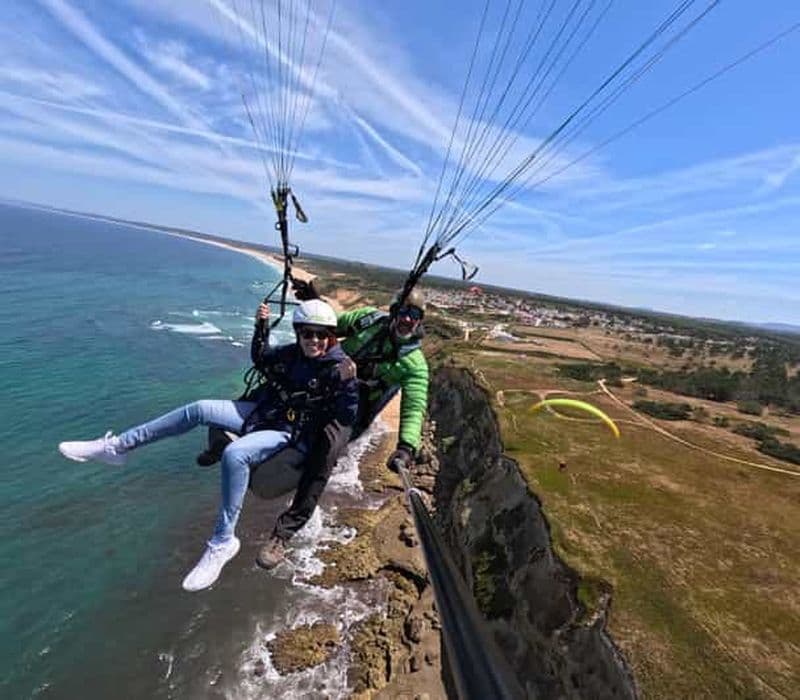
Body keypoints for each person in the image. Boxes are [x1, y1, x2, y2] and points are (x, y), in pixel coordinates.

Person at [58, 300, 358, 591]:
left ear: (331, 337)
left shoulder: (338, 367)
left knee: (236, 454)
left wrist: (346, 382)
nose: (314, 340)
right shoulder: (294, 354)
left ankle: (222, 541)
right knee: (199, 408)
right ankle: (117, 448)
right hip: (261, 414)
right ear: (299, 333)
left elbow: (346, 416)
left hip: (286, 430)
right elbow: (262, 358)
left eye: (322, 335)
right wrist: (261, 327)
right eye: (308, 333)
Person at [293, 280, 429, 473]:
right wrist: (314, 303)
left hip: (353, 411)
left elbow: (414, 407)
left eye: (415, 315)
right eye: (403, 312)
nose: (407, 319)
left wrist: (406, 447)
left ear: (420, 320)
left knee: (323, 451)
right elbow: (330, 326)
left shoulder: (415, 364)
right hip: (324, 382)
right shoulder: (369, 319)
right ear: (393, 311)